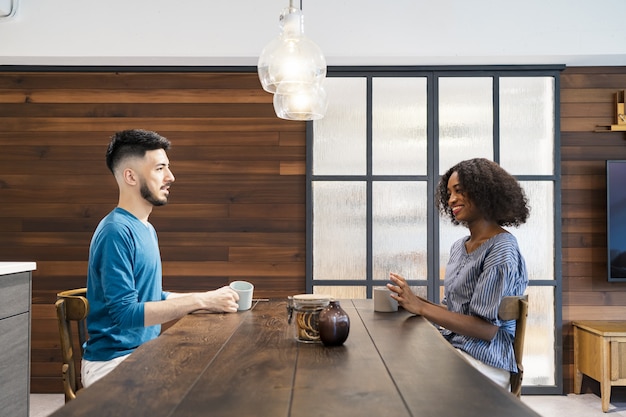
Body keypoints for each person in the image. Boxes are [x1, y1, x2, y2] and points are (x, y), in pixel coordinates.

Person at [82, 129, 239, 387]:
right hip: (112, 363)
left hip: (142, 354)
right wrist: (199, 300)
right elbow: (125, 314)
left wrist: (209, 300)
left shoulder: (145, 228)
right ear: (130, 176)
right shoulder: (115, 232)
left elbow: (153, 297)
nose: (170, 177)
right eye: (160, 169)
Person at [387, 158, 530, 390]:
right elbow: (455, 313)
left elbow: (486, 328)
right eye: (449, 193)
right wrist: (411, 300)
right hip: (456, 349)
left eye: (459, 191)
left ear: (484, 192)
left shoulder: (502, 248)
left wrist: (421, 307)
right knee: (393, 362)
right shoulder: (458, 247)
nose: (451, 199)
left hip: (484, 361)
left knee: (401, 378)